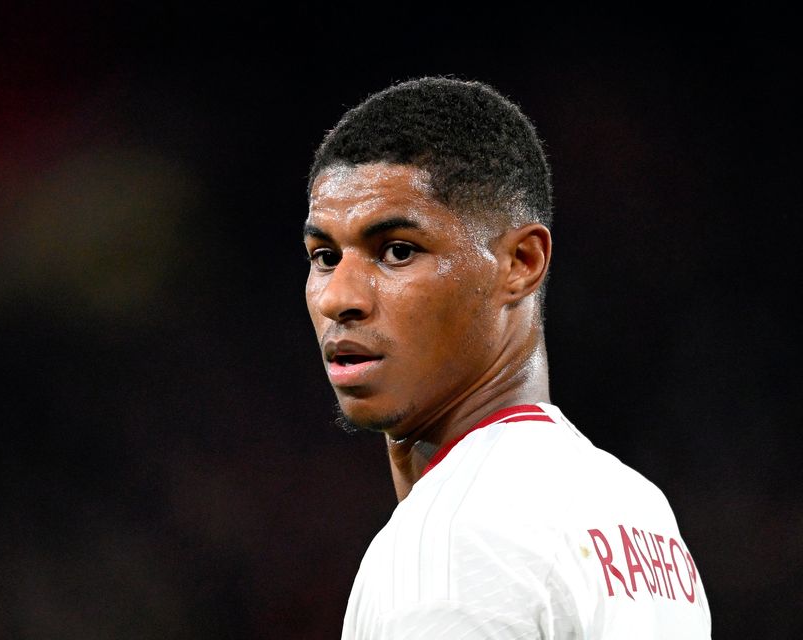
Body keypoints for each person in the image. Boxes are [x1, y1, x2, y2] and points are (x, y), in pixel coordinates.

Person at [303, 77, 711, 638]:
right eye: (325, 256)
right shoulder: (640, 514)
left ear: (520, 262)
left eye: (398, 251)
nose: (337, 297)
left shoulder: (450, 545)